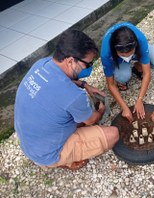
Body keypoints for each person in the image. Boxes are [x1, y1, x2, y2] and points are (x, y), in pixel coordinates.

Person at [14, 30, 119, 170]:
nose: (89, 67)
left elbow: (58, 81)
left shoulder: (41, 64)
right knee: (113, 134)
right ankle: (63, 161)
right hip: (47, 154)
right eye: (87, 64)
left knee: (70, 114)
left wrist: (85, 85)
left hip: (30, 143)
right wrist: (100, 111)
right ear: (71, 61)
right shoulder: (74, 95)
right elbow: (91, 120)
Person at [100, 22, 154, 122]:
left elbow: (147, 73)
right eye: (122, 54)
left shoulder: (140, 40)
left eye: (129, 53)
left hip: (137, 50)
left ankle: (137, 66)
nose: (126, 56)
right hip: (117, 57)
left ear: (135, 46)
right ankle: (125, 67)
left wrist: (140, 99)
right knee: (122, 77)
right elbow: (110, 84)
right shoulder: (106, 53)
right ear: (115, 50)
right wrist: (124, 107)